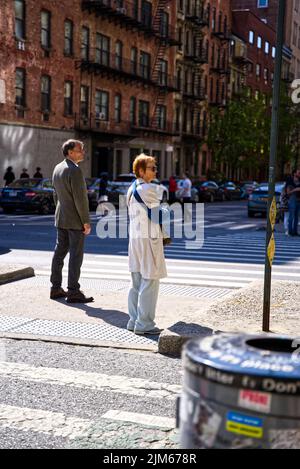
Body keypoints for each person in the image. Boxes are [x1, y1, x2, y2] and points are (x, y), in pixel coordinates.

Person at [126, 154, 167, 335]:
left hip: (135, 239)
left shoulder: (131, 187)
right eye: (152, 168)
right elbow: (160, 214)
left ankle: (133, 320)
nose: (155, 171)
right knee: (150, 281)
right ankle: (144, 324)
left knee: (136, 281)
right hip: (149, 240)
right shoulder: (149, 188)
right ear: (141, 171)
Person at [50, 139, 94, 303]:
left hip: (61, 217)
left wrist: (60, 212)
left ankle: (55, 288)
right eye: (80, 149)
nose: (83, 152)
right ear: (70, 152)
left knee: (59, 253)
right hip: (75, 220)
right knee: (75, 255)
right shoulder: (74, 170)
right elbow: (80, 199)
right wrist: (86, 221)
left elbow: (56, 195)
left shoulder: (57, 168)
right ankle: (74, 291)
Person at [286, 169, 300, 236]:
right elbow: (288, 192)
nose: (299, 174)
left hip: (299, 200)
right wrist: (295, 189)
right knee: (291, 216)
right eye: (299, 173)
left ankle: (295, 232)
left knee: (297, 217)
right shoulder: (290, 181)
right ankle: (290, 231)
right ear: (294, 173)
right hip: (292, 199)